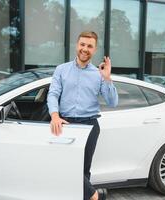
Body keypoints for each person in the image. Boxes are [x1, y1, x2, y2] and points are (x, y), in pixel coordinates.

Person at [47, 31, 118, 200]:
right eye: (82, 44)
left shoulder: (98, 74)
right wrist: (55, 116)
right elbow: (53, 94)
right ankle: (94, 196)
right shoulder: (61, 69)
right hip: (65, 123)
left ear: (94, 50)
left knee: (84, 170)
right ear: (77, 45)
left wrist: (107, 78)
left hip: (89, 125)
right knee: (64, 166)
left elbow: (112, 102)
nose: (85, 49)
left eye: (89, 46)